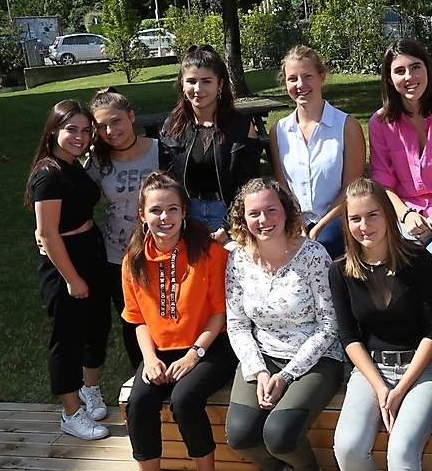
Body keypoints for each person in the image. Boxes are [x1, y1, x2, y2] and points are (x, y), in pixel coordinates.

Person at [330, 178, 432, 471]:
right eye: (355, 218)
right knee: (348, 447)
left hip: (423, 369)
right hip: (372, 369)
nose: (364, 226)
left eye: (372, 215)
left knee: (401, 450)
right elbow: (349, 338)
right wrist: (381, 388)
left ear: (387, 214)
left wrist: (400, 389)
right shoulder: (340, 270)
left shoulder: (419, 260)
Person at [225, 178, 345, 471]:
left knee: (280, 436)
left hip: (317, 358)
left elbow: (329, 325)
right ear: (243, 219)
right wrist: (259, 371)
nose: (263, 220)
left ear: (286, 212)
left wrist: (287, 376)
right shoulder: (237, 259)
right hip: (263, 356)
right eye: (254, 213)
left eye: (271, 210)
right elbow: (237, 325)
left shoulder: (313, 255)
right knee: (240, 435)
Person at [121, 172, 238, 471]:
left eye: (172, 208)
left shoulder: (211, 253)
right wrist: (149, 360)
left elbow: (220, 314)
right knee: (139, 402)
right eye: (155, 210)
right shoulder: (133, 259)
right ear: (142, 215)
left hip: (210, 345)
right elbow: (137, 319)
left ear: (184, 211)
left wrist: (193, 355)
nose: (165, 217)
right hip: (161, 349)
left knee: (184, 399)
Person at [25, 100, 111, 440]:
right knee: (68, 337)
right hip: (65, 261)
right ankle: (71, 413)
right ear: (53, 131)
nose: (79, 136)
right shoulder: (48, 174)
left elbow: (95, 197)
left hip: (91, 250)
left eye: (86, 130)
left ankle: (90, 390)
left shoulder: (74, 165)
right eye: (71, 129)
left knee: (98, 326)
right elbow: (47, 233)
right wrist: (72, 279)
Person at [369, 38, 432, 251]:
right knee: (403, 252)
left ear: (428, 70)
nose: (409, 77)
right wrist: (407, 215)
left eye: (416, 67)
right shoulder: (379, 123)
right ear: (390, 79)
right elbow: (382, 183)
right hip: (403, 214)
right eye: (400, 71)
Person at [86, 87, 164, 370]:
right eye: (101, 126)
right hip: (118, 256)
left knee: (165, 315)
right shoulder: (97, 160)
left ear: (131, 116)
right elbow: (76, 194)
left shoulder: (161, 151)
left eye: (116, 121)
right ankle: (142, 374)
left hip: (161, 251)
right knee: (132, 320)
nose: (110, 131)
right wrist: (44, 230)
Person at [270, 45, 366, 259]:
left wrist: (319, 227)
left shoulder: (347, 127)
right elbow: (283, 187)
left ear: (322, 77)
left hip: (337, 217)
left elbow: (351, 189)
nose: (300, 85)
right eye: (292, 79)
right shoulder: (279, 131)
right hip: (293, 218)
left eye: (307, 76)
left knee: (321, 246)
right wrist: (297, 222)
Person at [161, 44, 263, 241]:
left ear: (220, 84)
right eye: (191, 81)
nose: (198, 89)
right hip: (184, 215)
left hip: (228, 214)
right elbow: (167, 182)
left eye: (206, 81)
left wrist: (227, 228)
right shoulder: (173, 126)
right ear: (182, 84)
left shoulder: (241, 126)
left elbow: (248, 187)